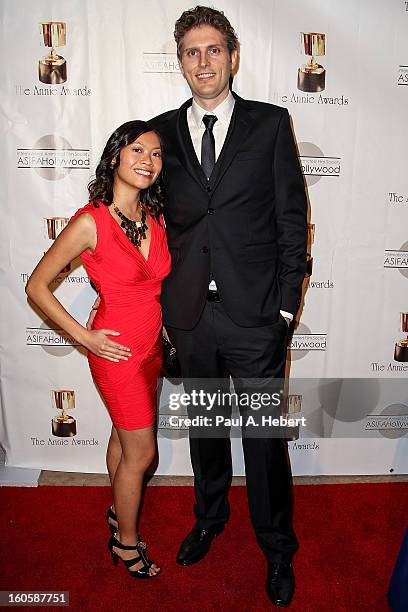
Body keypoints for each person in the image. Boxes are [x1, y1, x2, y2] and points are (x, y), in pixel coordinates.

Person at [150, 6, 308, 607]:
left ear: (233, 56)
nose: (203, 62)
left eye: (213, 49)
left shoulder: (270, 125)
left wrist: (286, 311)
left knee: (265, 441)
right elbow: (148, 217)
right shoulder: (160, 134)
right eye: (191, 52)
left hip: (255, 315)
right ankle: (209, 519)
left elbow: (293, 222)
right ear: (181, 62)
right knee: (208, 433)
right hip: (191, 315)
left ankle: (276, 546)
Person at [26, 121, 170, 579]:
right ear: (114, 158)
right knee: (143, 453)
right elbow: (37, 286)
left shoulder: (155, 215)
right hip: (118, 355)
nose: (148, 159)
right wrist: (85, 338)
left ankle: (117, 511)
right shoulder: (90, 221)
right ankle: (125, 542)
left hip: (152, 351)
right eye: (137, 150)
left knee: (123, 441)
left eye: (156, 153)